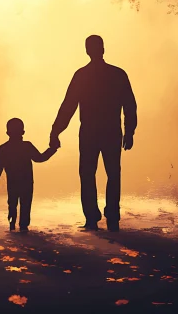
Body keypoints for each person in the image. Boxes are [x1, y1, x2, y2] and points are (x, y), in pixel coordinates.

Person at [50, 35, 137, 232]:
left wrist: (56, 131)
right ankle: (112, 217)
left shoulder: (81, 75)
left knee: (88, 174)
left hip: (90, 132)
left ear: (87, 51)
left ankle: (92, 217)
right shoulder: (117, 74)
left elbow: (68, 106)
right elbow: (129, 105)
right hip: (111, 132)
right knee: (113, 174)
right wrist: (129, 131)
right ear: (103, 49)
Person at [0, 118, 57, 232]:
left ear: (7, 133)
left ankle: (12, 222)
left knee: (12, 202)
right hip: (26, 182)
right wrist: (52, 149)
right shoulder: (27, 146)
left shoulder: (4, 148)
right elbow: (40, 158)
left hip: (13, 181)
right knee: (25, 203)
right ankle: (23, 225)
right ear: (23, 132)